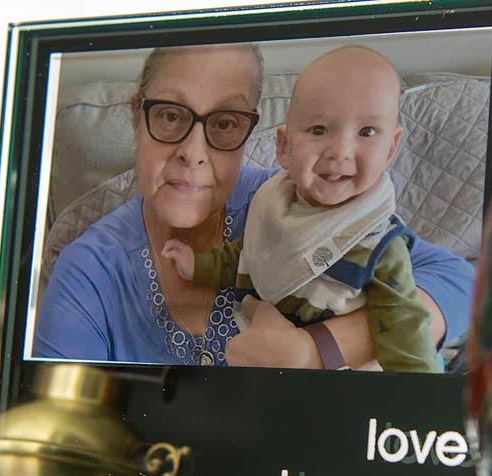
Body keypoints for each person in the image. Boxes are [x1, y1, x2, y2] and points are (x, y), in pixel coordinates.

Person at [33, 42, 474, 368]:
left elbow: (461, 283)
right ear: (136, 119)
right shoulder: (88, 272)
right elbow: (64, 449)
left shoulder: (292, 205)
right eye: (170, 115)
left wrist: (312, 352)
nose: (193, 151)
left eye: (225, 122)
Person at [159, 46, 439, 372]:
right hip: (258, 356)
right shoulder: (273, 204)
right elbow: (248, 257)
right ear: (284, 146)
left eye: (367, 132)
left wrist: (421, 400)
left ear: (391, 149)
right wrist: (198, 266)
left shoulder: (377, 244)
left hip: (338, 378)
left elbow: (406, 329)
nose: (340, 151)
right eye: (319, 130)